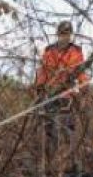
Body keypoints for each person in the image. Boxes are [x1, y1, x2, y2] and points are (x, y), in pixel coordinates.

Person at [34, 20, 89, 167]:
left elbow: (80, 71)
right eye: (62, 33)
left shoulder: (75, 51)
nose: (65, 37)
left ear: (70, 35)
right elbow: (43, 71)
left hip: (67, 95)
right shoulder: (49, 51)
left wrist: (84, 89)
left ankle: (69, 162)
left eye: (67, 34)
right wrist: (40, 88)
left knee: (67, 128)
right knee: (48, 129)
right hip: (49, 95)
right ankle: (49, 162)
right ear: (58, 34)